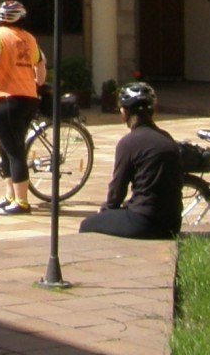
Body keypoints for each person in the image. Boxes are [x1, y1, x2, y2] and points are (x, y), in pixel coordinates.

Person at [78, 82, 183, 239]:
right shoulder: (167, 138)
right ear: (153, 111)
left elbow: (117, 189)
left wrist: (107, 209)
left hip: (144, 222)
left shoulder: (128, 143)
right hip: (172, 223)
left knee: (87, 225)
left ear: (124, 113)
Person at [0, 0, 45, 215]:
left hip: (6, 98)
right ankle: (10, 196)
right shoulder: (29, 39)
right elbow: (41, 64)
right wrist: (38, 83)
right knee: (8, 149)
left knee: (14, 151)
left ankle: (22, 202)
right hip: (28, 98)